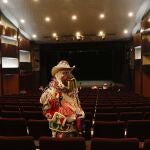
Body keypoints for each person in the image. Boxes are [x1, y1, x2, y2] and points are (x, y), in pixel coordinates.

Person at [40, 60, 85, 138]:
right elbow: (46, 111)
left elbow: (77, 105)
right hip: (60, 129)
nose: (67, 75)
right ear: (59, 74)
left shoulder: (72, 90)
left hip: (73, 129)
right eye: (64, 73)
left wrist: (79, 113)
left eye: (68, 73)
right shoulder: (51, 91)